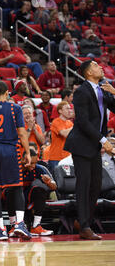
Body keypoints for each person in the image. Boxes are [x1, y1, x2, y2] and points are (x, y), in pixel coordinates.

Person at [64, 60, 115, 240]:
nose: (100, 67)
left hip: (93, 144)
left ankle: (84, 221)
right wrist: (104, 141)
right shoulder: (81, 92)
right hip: (81, 144)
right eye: (95, 66)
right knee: (84, 185)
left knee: (95, 185)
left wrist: (114, 93)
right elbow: (83, 122)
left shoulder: (103, 89)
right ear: (88, 73)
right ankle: (84, 226)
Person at [0, 81, 32, 241]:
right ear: (8, 92)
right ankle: (19, 224)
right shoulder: (15, 108)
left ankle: (1, 229)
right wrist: (28, 152)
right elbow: (22, 133)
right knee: (16, 187)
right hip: (11, 149)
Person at [15, 147, 55, 236]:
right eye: (31, 163)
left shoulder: (39, 168)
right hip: (11, 198)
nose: (33, 166)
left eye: (35, 163)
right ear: (23, 160)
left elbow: (54, 187)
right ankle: (14, 225)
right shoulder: (15, 168)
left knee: (39, 191)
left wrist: (48, 182)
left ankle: (36, 226)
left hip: (26, 196)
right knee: (14, 192)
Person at [49, 101, 73, 173]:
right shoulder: (56, 122)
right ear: (60, 111)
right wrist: (76, 126)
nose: (70, 110)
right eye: (67, 109)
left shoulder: (70, 123)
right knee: (57, 181)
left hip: (68, 157)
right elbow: (64, 133)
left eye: (70, 108)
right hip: (56, 157)